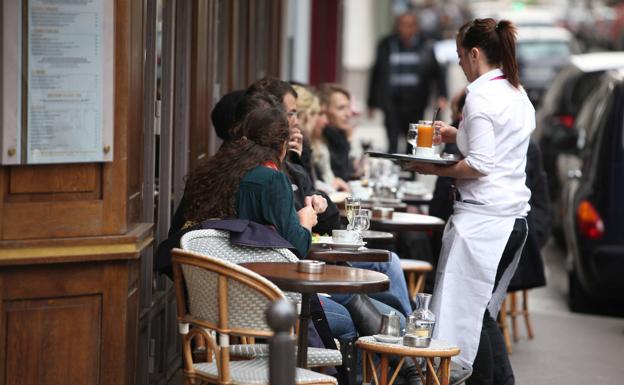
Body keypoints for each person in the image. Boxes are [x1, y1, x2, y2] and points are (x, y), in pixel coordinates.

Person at [405, 18, 534, 385]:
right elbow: (497, 147)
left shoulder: (480, 94)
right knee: (480, 315)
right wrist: (456, 134)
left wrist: (432, 170)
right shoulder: (515, 91)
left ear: (475, 53)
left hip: (483, 224)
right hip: (512, 219)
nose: (460, 64)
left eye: (461, 56)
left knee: (464, 318)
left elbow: (479, 163)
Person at [368, 11, 448, 154]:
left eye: (410, 25)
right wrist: (371, 102)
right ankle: (393, 171)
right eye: (403, 25)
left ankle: (409, 173)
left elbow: (437, 72)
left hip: (416, 101)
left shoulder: (426, 45)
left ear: (416, 27)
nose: (406, 29)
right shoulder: (386, 44)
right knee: (392, 140)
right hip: (391, 101)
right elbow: (376, 73)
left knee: (412, 142)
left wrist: (442, 95)